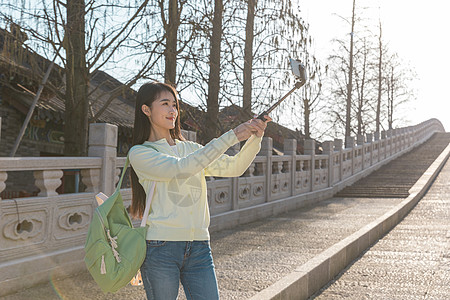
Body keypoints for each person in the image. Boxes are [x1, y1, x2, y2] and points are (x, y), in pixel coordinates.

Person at [128, 82, 271, 300]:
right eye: (165, 104)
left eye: (174, 105)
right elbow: (181, 168)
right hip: (161, 248)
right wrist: (232, 135)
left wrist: (255, 137)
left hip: (200, 247)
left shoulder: (191, 149)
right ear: (146, 110)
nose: (172, 110)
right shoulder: (141, 153)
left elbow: (235, 167)